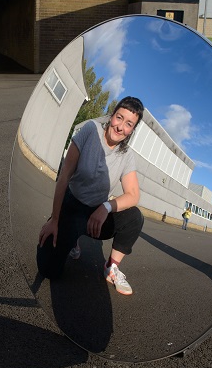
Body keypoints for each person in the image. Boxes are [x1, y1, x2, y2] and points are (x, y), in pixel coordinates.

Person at [37, 97, 145, 296]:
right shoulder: (90, 130)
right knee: (48, 269)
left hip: (96, 214)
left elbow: (133, 195)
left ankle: (111, 267)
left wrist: (106, 207)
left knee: (134, 217)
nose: (121, 127)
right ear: (112, 115)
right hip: (72, 205)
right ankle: (71, 238)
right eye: (119, 118)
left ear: (132, 130)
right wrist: (55, 219)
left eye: (128, 124)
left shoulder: (127, 155)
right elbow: (64, 176)